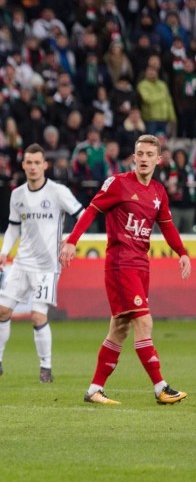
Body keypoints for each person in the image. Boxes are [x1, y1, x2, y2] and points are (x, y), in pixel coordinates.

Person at [60, 134, 191, 405]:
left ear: (158, 159)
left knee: (119, 328)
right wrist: (72, 240)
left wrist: (183, 253)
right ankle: (160, 387)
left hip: (142, 264)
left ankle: (95, 389)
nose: (143, 159)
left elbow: (166, 226)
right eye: (139, 154)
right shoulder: (118, 184)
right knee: (144, 321)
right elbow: (91, 210)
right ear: (134, 157)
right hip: (121, 264)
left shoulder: (158, 192)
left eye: (148, 155)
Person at [0, 145, 83, 382]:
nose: (33, 167)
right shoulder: (17, 194)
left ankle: (46, 368)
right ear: (23, 165)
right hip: (21, 264)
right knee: (1, 311)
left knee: (38, 316)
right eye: (29, 162)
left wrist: (72, 240)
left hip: (47, 267)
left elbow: (84, 214)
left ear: (45, 165)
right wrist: (4, 252)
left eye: (38, 162)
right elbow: (13, 227)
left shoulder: (58, 192)